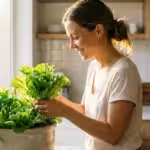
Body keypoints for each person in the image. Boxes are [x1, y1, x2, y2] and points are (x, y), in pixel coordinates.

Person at [34, 0, 143, 149]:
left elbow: (113, 135)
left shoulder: (123, 71)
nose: (71, 46)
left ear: (98, 31)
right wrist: (59, 101)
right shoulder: (94, 66)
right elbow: (87, 111)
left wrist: (63, 110)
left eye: (75, 37)